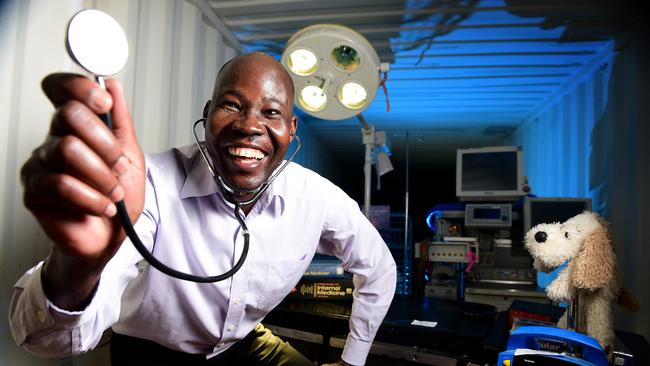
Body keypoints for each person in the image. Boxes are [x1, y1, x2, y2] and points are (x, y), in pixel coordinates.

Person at [10, 52, 397, 366]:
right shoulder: (148, 185)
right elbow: (49, 340)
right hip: (151, 354)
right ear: (209, 112)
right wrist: (79, 265)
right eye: (232, 105)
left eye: (271, 112)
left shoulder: (316, 196)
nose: (249, 126)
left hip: (247, 345)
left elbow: (379, 267)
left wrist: (353, 360)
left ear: (292, 128)